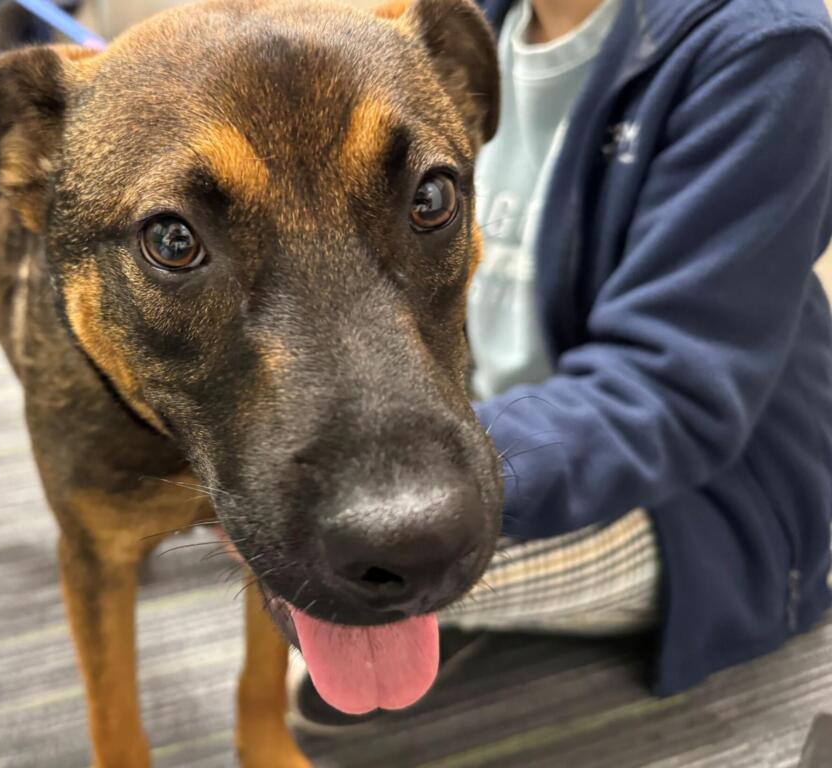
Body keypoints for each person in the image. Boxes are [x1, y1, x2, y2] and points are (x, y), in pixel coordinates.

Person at [289, 0, 832, 729]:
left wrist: (431, 472)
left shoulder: (765, 50)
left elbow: (673, 394)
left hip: (695, 494)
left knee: (326, 569)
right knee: (289, 527)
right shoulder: (473, 24)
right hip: (488, 409)